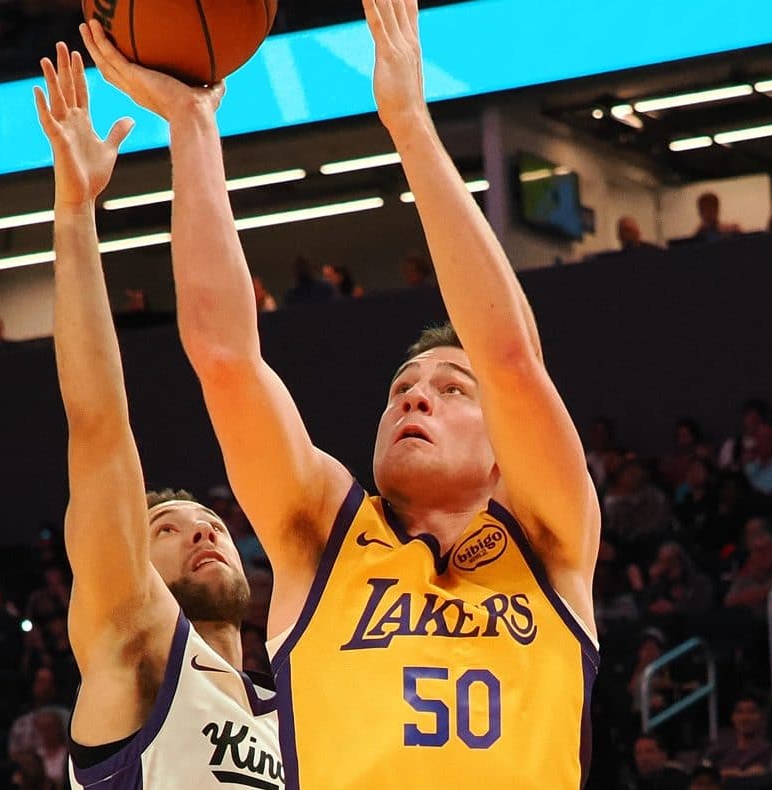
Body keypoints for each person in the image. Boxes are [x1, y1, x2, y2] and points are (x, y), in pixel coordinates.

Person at [82, 0, 598, 784]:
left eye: (453, 390)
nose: (415, 399)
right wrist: (191, 124)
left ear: (504, 451)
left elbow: (510, 356)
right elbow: (223, 356)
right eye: (402, 388)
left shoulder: (550, 539)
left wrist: (409, 125)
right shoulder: (320, 533)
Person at [32, 43, 281, 788]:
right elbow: (98, 426)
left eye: (207, 521)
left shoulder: (295, 714)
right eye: (164, 531)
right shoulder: (133, 644)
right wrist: (75, 213)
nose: (203, 529)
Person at [704, 692, 772, 779]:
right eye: (739, 712)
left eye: (752, 712)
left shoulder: (768, 750)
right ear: (732, 717)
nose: (745, 718)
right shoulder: (718, 750)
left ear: (762, 716)